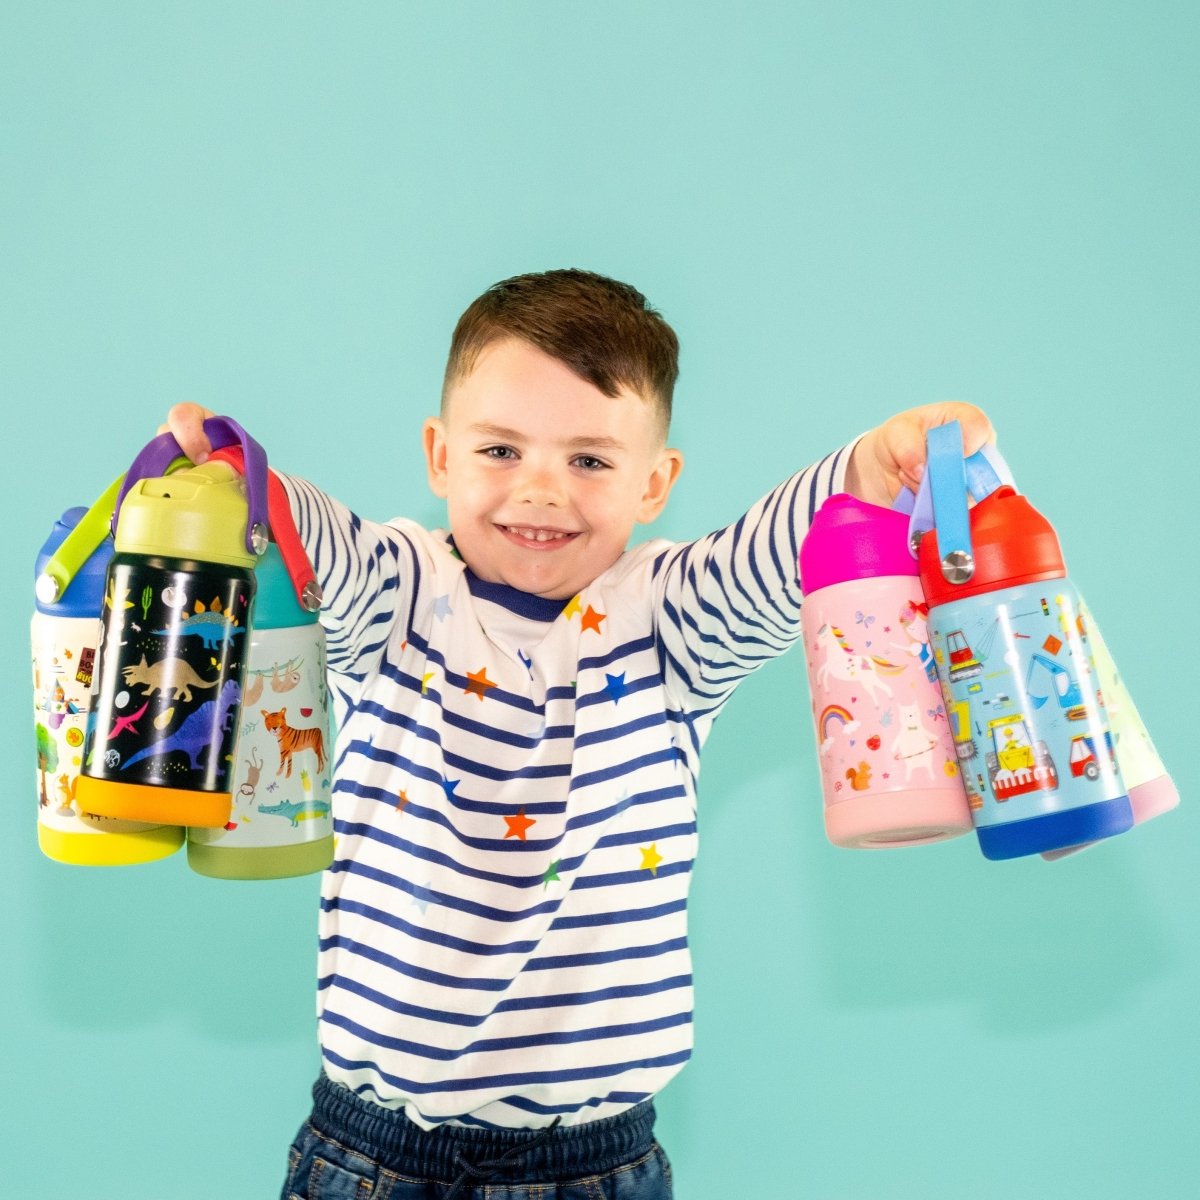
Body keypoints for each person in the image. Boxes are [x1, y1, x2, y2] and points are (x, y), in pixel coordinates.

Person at [164, 268, 992, 1199]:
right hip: (372, 1153)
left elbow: (774, 558)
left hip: (594, 1162)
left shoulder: (667, 619)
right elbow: (325, 546)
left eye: (590, 460)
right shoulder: (399, 595)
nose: (542, 491)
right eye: (501, 450)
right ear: (440, 457)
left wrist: (869, 474)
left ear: (656, 482)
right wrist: (245, 487)